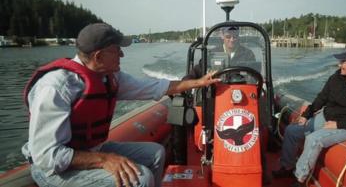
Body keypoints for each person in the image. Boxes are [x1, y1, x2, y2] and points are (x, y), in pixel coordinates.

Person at [21, 23, 220, 187]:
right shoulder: (56, 88)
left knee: (156, 153)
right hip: (54, 170)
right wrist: (105, 160)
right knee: (140, 178)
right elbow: (47, 157)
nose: (122, 56)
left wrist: (199, 82)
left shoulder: (110, 78)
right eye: (117, 50)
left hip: (92, 150)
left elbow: (154, 87)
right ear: (99, 56)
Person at [272, 46, 346, 187]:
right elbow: (322, 98)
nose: (339, 64)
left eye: (343, 61)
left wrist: (338, 124)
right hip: (326, 118)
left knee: (314, 139)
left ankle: (299, 179)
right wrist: (307, 115)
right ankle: (287, 167)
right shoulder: (337, 77)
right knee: (291, 131)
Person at [184, 25, 256, 79]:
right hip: (217, 91)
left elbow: (254, 75)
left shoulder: (248, 54)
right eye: (228, 36)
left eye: (235, 36)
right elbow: (197, 71)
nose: (232, 39)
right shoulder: (212, 54)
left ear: (238, 35)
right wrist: (185, 83)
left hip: (241, 91)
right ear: (222, 35)